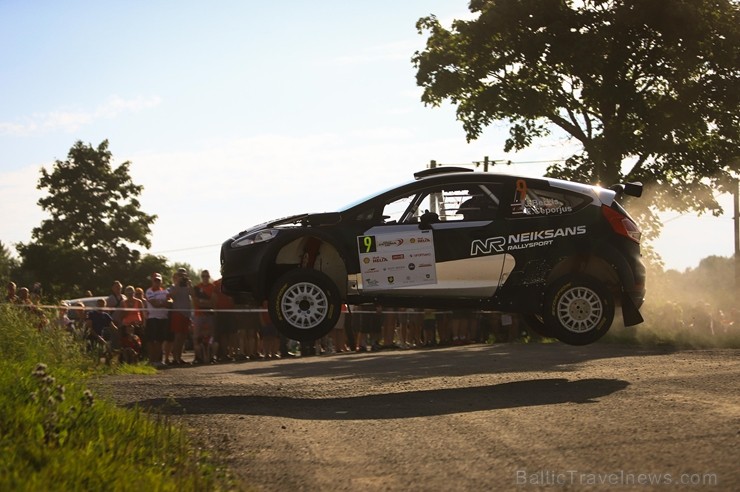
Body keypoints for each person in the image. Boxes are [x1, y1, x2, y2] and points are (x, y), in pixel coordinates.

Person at [145, 272, 171, 367]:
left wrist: (161, 303)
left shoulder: (165, 291)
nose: (157, 282)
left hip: (163, 318)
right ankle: (152, 360)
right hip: (153, 318)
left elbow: (170, 302)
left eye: (158, 280)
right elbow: (154, 304)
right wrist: (163, 303)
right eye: (155, 280)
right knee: (152, 340)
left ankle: (159, 360)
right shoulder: (149, 291)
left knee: (160, 340)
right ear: (152, 280)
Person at [168, 269, 193, 365]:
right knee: (177, 336)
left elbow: (193, 295)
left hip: (186, 314)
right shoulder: (173, 286)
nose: (182, 277)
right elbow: (173, 296)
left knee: (183, 337)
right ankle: (174, 358)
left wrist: (190, 284)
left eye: (184, 275)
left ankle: (179, 357)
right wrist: (178, 282)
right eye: (180, 275)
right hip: (178, 313)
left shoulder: (187, 286)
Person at [192, 270, 218, 363]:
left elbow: (213, 301)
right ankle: (197, 357)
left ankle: (212, 357)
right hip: (198, 315)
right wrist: (206, 303)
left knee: (212, 336)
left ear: (209, 277)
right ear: (201, 277)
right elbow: (195, 302)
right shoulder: (197, 287)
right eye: (203, 276)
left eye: (207, 276)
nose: (205, 278)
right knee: (196, 337)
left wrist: (202, 302)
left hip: (210, 315)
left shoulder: (213, 287)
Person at [85, 298, 118, 364]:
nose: (100, 306)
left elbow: (114, 327)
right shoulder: (91, 314)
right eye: (99, 304)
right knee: (92, 352)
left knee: (107, 348)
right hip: (91, 336)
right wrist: (98, 337)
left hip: (102, 336)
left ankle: (106, 362)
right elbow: (89, 328)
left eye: (102, 305)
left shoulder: (106, 316)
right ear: (97, 305)